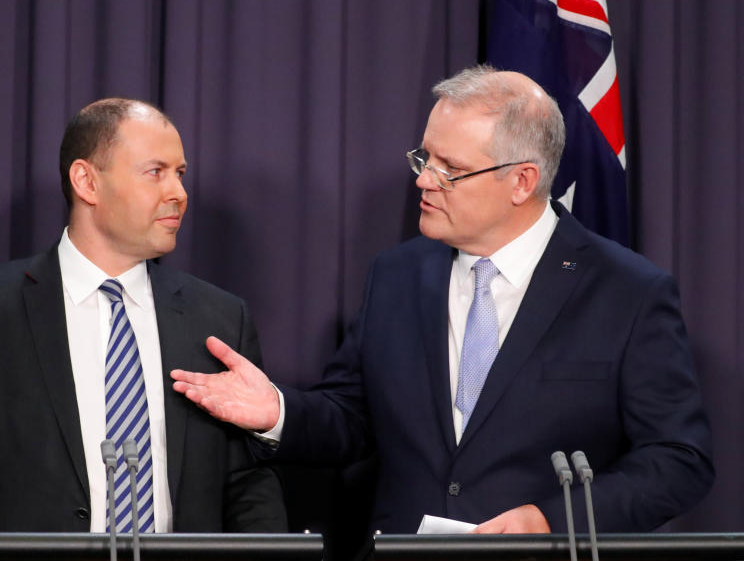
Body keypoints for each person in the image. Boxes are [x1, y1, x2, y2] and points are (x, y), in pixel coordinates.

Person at [171, 66, 714, 535]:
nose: (424, 181)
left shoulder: (626, 291)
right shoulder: (398, 275)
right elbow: (352, 418)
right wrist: (279, 412)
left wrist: (551, 519)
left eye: (449, 168)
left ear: (522, 181)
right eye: (424, 157)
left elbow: (678, 459)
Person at [0, 99, 287, 559]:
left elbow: (246, 481)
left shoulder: (220, 319)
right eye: (155, 172)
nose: (178, 192)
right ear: (87, 181)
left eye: (180, 173)